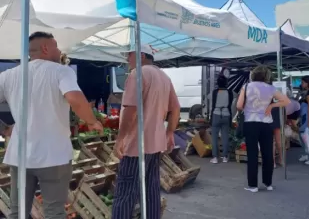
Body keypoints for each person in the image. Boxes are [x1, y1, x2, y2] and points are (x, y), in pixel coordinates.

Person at [0, 31, 103, 219]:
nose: (59, 50)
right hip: (54, 156)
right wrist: (92, 121)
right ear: (46, 48)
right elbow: (75, 99)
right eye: (56, 46)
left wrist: (4, 129)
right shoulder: (62, 71)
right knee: (54, 212)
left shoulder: (8, 75)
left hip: (19, 156)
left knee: (17, 212)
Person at [113, 45, 180, 219]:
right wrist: (169, 133)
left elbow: (131, 109)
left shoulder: (138, 74)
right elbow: (176, 108)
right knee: (151, 192)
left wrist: (120, 139)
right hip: (155, 145)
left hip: (136, 145)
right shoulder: (164, 76)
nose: (127, 60)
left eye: (129, 55)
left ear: (141, 55)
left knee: (125, 194)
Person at [236, 66, 290, 193]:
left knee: (253, 154)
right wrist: (272, 105)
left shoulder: (246, 86)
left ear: (253, 75)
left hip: (251, 123)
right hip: (266, 124)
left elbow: (238, 105)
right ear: (266, 76)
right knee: (267, 154)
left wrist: (248, 109)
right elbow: (286, 101)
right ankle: (268, 183)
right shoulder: (271, 88)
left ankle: (253, 185)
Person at [210, 76, 234, 164]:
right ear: (226, 83)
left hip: (216, 114)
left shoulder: (214, 92)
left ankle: (215, 158)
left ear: (217, 83)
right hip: (226, 114)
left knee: (214, 137)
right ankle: (225, 157)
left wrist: (210, 118)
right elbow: (232, 102)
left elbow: (212, 103)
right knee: (225, 136)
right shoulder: (230, 92)